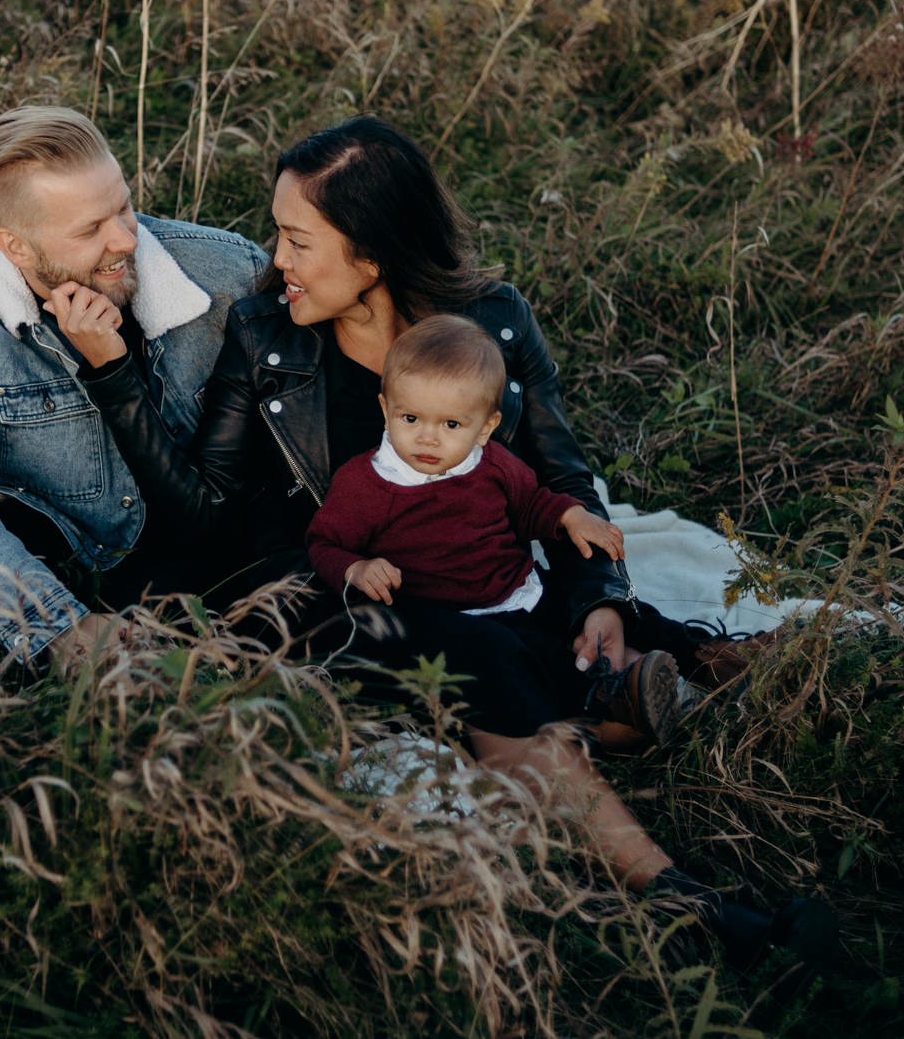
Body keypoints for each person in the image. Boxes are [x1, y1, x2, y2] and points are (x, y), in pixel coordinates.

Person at [57, 114, 831, 976]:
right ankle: (687, 903)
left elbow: (562, 482)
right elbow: (202, 514)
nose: (275, 261)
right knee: (485, 648)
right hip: (325, 590)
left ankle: (685, 697)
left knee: (639, 624)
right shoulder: (267, 336)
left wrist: (600, 594)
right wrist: (113, 371)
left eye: (297, 240)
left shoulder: (492, 326)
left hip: (467, 572)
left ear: (373, 257)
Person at [0, 105, 266, 666]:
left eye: (124, 207)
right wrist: (58, 627)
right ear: (15, 246)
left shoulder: (225, 272)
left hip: (209, 549)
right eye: (89, 230)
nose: (126, 240)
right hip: (66, 553)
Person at [305, 314, 685, 746]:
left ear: (485, 427)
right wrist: (355, 568)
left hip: (519, 587)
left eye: (451, 425)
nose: (427, 438)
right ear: (385, 409)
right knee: (531, 660)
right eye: (410, 418)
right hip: (460, 620)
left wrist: (569, 515)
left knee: (584, 615)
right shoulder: (366, 483)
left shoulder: (493, 463)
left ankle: (673, 666)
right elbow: (324, 542)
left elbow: (532, 504)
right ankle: (610, 704)